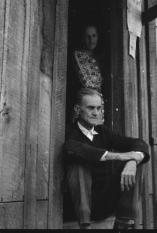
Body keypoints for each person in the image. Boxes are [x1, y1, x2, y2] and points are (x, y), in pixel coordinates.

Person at [63, 88, 150, 230]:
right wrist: (120, 155)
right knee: (78, 166)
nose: (96, 113)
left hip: (102, 204)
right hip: (76, 206)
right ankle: (85, 227)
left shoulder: (103, 132)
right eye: (91, 108)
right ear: (78, 109)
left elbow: (139, 143)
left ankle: (121, 225)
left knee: (136, 163)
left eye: (99, 108)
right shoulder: (69, 132)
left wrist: (132, 161)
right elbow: (73, 148)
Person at [68, 23, 105, 124]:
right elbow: (88, 83)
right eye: (87, 36)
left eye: (94, 36)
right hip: (85, 106)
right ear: (82, 38)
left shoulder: (100, 57)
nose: (91, 40)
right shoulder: (78, 55)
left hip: (97, 105)